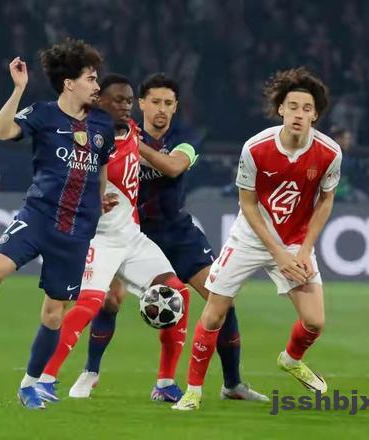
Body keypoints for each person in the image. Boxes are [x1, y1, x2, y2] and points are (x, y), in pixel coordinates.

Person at [0, 38, 116, 410]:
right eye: (91, 78)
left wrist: (100, 201)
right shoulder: (43, 114)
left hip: (76, 230)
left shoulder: (102, 124)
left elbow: (101, 169)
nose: (97, 86)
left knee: (53, 313)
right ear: (69, 83)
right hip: (38, 216)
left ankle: (29, 385)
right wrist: (18, 89)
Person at [75, 73, 268, 402]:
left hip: (176, 232)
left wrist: (133, 144)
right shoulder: (116, 133)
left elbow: (174, 167)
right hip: (131, 231)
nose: (161, 109)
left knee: (222, 298)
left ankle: (232, 384)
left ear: (176, 107)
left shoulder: (185, 137)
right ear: (142, 104)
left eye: (168, 103)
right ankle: (90, 372)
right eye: (155, 102)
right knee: (111, 299)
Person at [173, 67, 342, 411]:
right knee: (214, 314)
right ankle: (193, 391)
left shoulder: (329, 153)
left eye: (306, 108)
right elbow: (247, 204)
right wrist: (277, 253)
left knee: (314, 321)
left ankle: (291, 359)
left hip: (295, 242)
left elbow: (326, 201)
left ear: (315, 115)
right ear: (280, 109)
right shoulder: (256, 148)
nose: (299, 114)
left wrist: (305, 249)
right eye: (292, 106)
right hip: (250, 238)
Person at [33, 74, 191, 403]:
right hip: (98, 239)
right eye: (117, 100)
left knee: (177, 293)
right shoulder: (86, 143)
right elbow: (60, 182)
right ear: (99, 102)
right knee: (90, 304)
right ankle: (44, 379)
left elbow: (165, 164)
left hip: (131, 237)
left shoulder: (131, 130)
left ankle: (164, 383)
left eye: (128, 100)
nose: (125, 106)